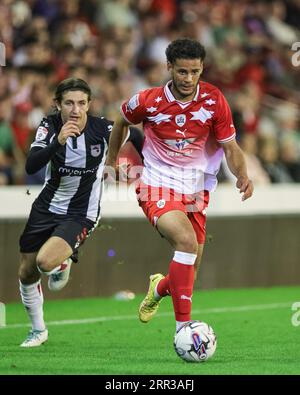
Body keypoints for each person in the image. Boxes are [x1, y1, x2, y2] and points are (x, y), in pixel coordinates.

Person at [106, 38, 254, 334]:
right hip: (155, 185)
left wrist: (242, 174)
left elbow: (230, 147)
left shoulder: (214, 100)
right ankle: (184, 330)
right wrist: (111, 161)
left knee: (188, 274)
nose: (189, 79)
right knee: (185, 243)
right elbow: (121, 121)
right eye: (182, 72)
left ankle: (159, 288)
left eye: (195, 72)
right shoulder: (148, 101)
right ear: (169, 67)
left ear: (202, 69)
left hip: (196, 192)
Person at [18, 77, 143, 347]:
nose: (76, 110)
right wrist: (57, 142)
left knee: (44, 262)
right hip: (46, 207)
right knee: (27, 272)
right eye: (69, 103)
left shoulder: (103, 129)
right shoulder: (49, 126)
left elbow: (137, 135)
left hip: (80, 212)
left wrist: (147, 171)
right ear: (58, 105)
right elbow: (30, 166)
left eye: (81, 103)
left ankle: (62, 261)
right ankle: (38, 330)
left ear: (89, 105)